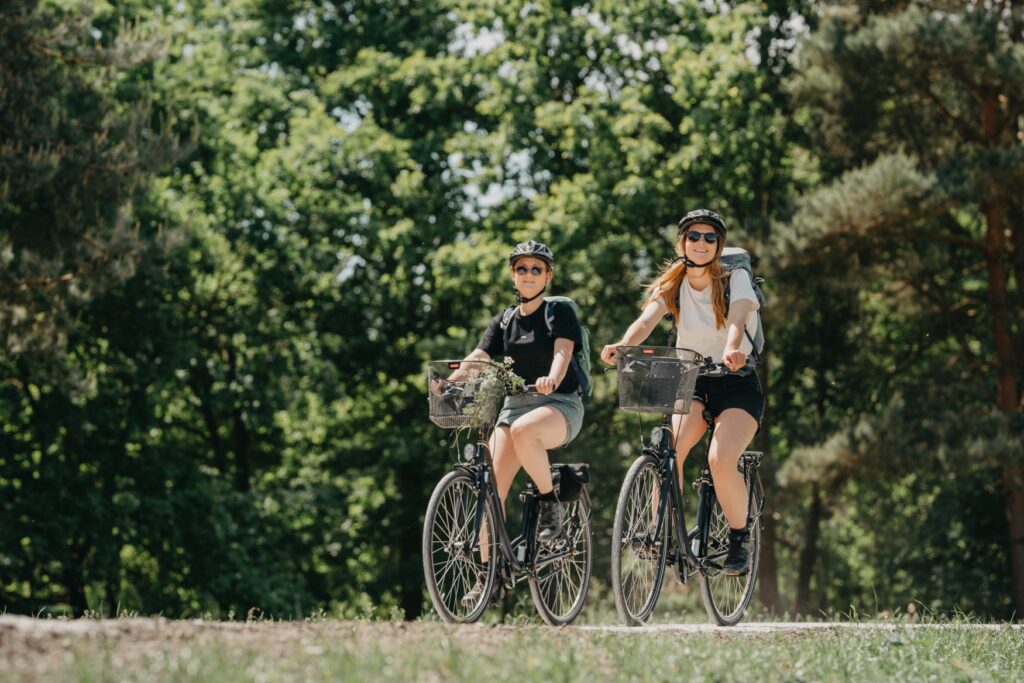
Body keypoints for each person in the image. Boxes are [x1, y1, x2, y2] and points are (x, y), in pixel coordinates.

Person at [600, 209, 764, 575]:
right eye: (694, 236)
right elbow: (647, 319)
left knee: (720, 460)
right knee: (669, 450)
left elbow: (737, 319)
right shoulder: (674, 281)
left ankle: (740, 538)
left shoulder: (734, 278)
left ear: (718, 245)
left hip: (736, 381)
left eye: (709, 237)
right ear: (682, 243)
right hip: (693, 380)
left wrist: (732, 349)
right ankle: (659, 533)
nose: (701, 242)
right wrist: (623, 345)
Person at [459, 240, 585, 603]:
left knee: (524, 431)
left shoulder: (558, 312)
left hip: (559, 403)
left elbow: (563, 352)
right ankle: (489, 576)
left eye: (536, 269)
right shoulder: (505, 320)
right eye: (521, 269)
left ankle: (549, 502)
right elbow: (480, 355)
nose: (528, 275)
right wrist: (450, 381)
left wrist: (552, 378)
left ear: (547, 276)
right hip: (515, 406)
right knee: (488, 488)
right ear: (513, 275)